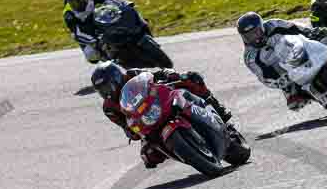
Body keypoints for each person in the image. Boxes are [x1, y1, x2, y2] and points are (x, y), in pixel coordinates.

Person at [91, 61, 234, 169]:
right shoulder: (109, 107)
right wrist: (131, 132)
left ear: (117, 77)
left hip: (159, 102)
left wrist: (169, 74)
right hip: (146, 121)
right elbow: (124, 124)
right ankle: (187, 152)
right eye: (101, 90)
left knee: (192, 79)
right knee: (149, 156)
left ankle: (220, 113)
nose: (106, 92)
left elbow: (155, 75)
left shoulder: (132, 74)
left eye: (107, 86)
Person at [237, 12, 327, 111]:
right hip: (287, 73)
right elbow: (264, 77)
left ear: (262, 27)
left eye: (256, 32)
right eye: (249, 36)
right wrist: (281, 81)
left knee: (325, 38)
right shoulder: (250, 57)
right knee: (294, 103)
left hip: (298, 50)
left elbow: (295, 27)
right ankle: (300, 91)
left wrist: (311, 32)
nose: (255, 38)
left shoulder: (273, 25)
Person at [63, 0, 145, 64]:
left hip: (99, 19)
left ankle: (141, 31)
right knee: (91, 55)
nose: (74, 5)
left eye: (76, 1)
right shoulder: (68, 14)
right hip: (86, 31)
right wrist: (95, 41)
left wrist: (125, 3)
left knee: (123, 16)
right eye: (71, 2)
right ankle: (112, 62)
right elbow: (78, 33)